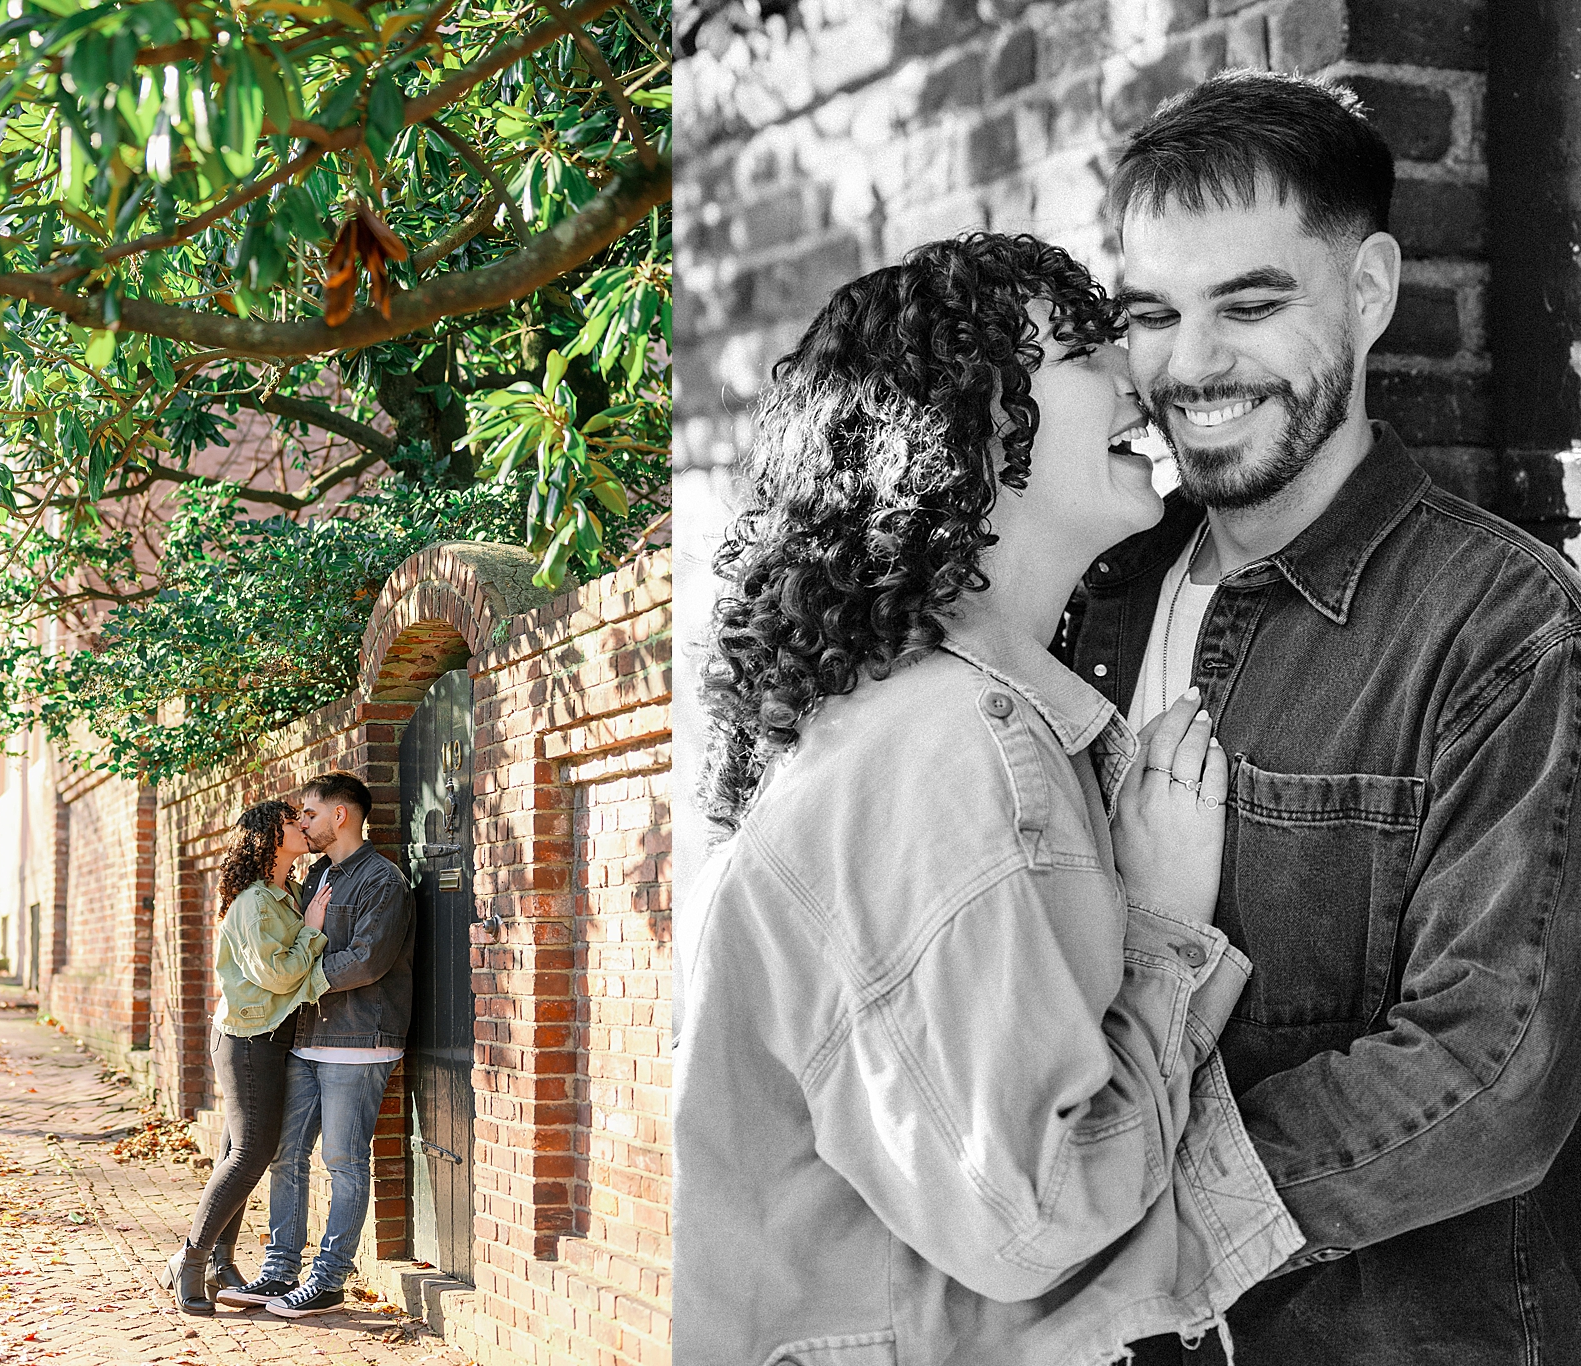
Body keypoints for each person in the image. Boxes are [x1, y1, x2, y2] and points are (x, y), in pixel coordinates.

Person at [674, 232, 1303, 1364]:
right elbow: (1028, 1215)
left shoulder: (914, 726)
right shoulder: (947, 747)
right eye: (1076, 350)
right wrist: (1162, 928)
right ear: (959, 433)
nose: (1135, 376)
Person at [1075, 72, 1581, 1364]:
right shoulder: (1087, 602)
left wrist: (1129, 1220)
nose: (1189, 366)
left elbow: (1492, 1067)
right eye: (1150, 314)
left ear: (1364, 294)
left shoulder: (1502, 625)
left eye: (1248, 304)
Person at [217, 771, 415, 1319]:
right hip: (308, 1038)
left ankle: (328, 1280)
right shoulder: (319, 875)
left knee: (344, 1160)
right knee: (286, 1155)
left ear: (341, 815)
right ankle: (279, 1273)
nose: (303, 822)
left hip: (359, 1041)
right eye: (299, 817)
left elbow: (370, 960)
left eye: (309, 813)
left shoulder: (383, 880)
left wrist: (302, 979)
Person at [160, 799, 330, 1315]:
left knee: (239, 1149)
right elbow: (276, 975)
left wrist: (308, 916)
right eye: (291, 821)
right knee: (252, 1150)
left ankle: (219, 1262)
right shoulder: (254, 902)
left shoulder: (289, 893)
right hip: (247, 1039)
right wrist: (312, 929)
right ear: (269, 838)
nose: (303, 824)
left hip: (275, 1039)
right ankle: (188, 1261)